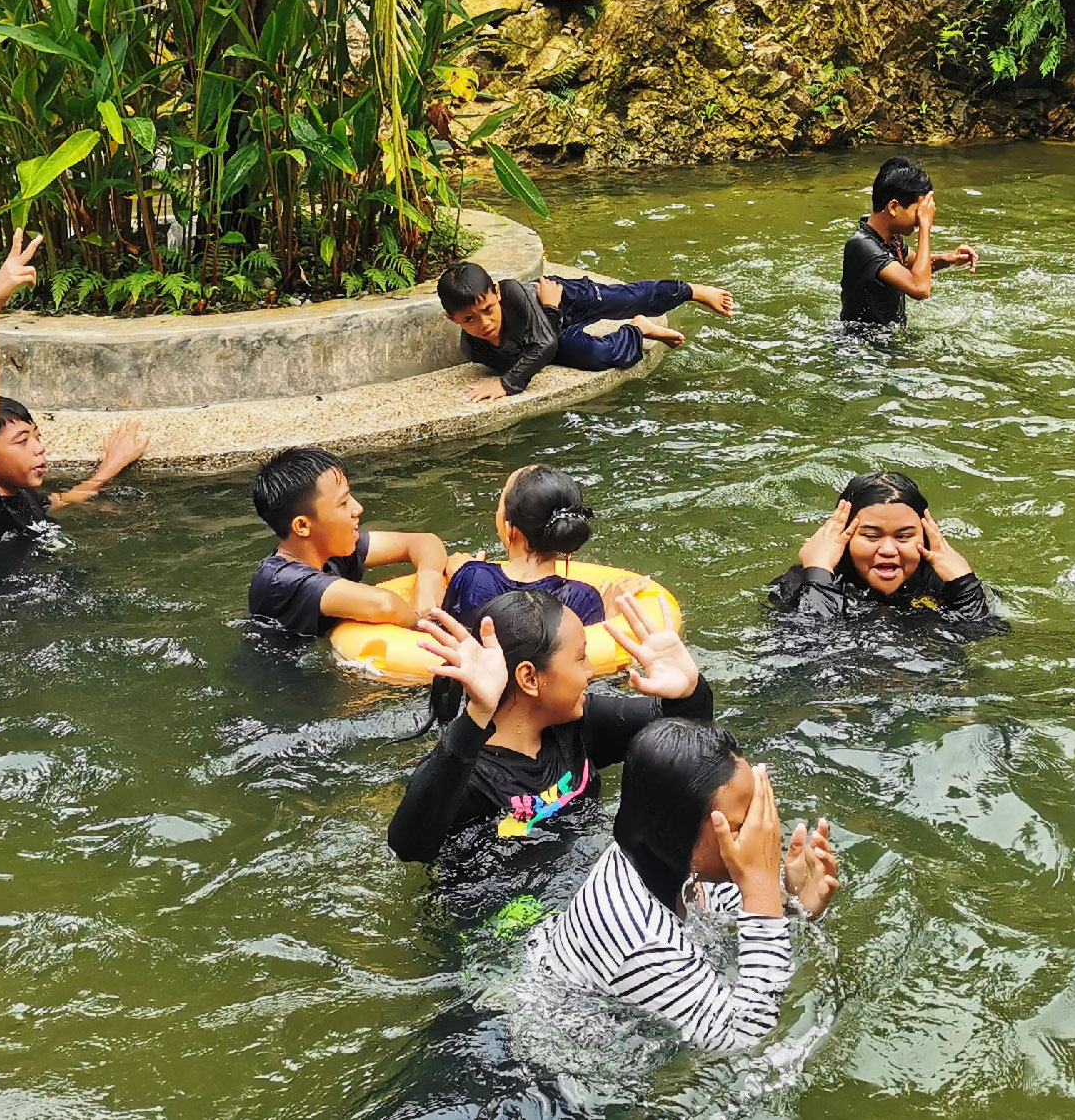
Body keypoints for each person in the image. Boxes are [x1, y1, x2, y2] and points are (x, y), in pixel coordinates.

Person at [524, 720, 839, 1051]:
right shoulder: (643, 943)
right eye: (739, 825)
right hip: (569, 1060)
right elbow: (746, 1037)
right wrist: (760, 886)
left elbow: (723, 910)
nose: (756, 837)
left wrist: (788, 902)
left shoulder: (657, 856)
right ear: (676, 832)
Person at [387, 586, 712, 862]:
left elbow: (689, 740)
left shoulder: (579, 726)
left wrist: (687, 691)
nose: (590, 671)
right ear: (530, 677)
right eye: (580, 657)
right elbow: (408, 846)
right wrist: (476, 716)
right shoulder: (467, 774)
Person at [0, 230, 147, 567]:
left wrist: (109, 468)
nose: (39, 448)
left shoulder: (22, 496)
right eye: (22, 441)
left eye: (36, 437)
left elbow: (62, 500)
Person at [440, 262, 737, 405]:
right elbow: (543, 349)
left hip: (562, 297)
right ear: (452, 319)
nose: (484, 323)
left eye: (489, 309)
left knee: (625, 298)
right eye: (469, 319)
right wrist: (550, 313)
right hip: (552, 314)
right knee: (599, 355)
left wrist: (506, 385)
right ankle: (639, 329)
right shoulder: (473, 348)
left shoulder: (515, 293)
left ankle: (692, 291)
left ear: (497, 293)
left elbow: (542, 345)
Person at [245, 446, 452, 638]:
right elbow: (385, 605)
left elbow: (424, 542)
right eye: (343, 503)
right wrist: (426, 623)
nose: (358, 508)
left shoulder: (331, 550)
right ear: (303, 526)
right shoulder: (280, 581)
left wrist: (429, 580)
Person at [768, 470, 1006, 636]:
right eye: (871, 536)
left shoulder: (944, 582)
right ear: (844, 538)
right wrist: (819, 573)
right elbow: (808, 646)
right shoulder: (800, 585)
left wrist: (964, 583)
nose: (889, 550)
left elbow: (984, 639)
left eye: (904, 536)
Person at [443, 464, 614, 627]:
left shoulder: (471, 578)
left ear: (510, 528)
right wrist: (608, 610)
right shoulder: (583, 599)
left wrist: (462, 576)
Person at [839, 156, 978, 327]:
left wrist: (951, 259)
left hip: (883, 340)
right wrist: (926, 227)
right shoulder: (862, 245)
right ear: (893, 207)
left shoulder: (890, 238)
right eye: (919, 212)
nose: (920, 219)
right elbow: (920, 288)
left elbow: (915, 267)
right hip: (859, 346)